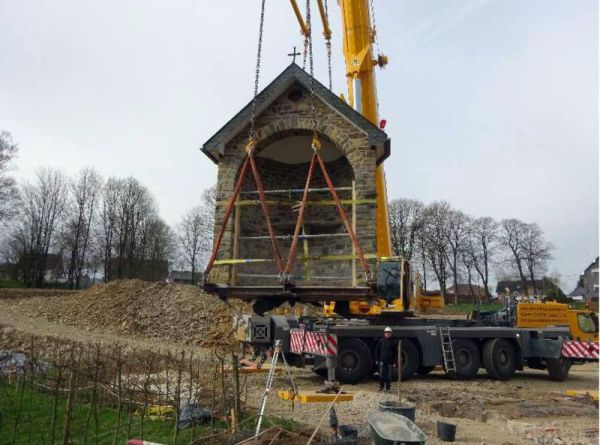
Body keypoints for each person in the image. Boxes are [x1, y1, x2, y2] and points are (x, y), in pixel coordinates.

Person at [374, 326, 397, 392]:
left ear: (391, 333)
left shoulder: (393, 342)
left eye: (388, 332)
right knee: (381, 375)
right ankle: (381, 387)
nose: (387, 333)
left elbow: (395, 353)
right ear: (384, 333)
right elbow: (377, 350)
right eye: (386, 332)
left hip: (390, 362)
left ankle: (388, 388)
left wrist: (394, 362)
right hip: (382, 361)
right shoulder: (381, 341)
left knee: (389, 376)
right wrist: (376, 359)